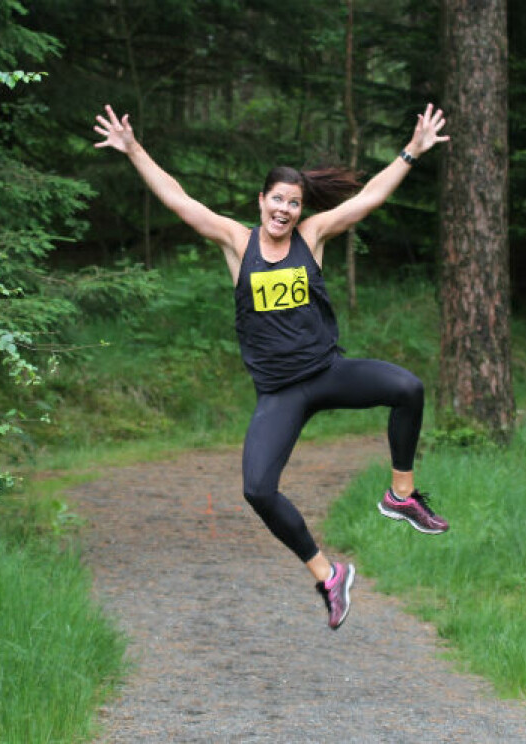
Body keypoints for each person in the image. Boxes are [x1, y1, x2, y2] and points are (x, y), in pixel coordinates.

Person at [93, 103, 450, 630]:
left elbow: (369, 197)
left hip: (327, 372)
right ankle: (328, 576)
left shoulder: (313, 237)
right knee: (257, 489)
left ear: (301, 211)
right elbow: (178, 200)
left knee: (408, 388)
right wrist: (133, 149)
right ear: (261, 202)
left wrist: (410, 153)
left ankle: (401, 495)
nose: (284, 209)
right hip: (281, 392)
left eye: (294, 203)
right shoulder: (238, 242)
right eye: (277, 200)